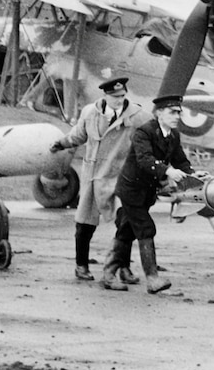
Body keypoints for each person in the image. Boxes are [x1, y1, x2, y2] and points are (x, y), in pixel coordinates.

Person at [50, 75, 151, 281]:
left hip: (121, 176)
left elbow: (153, 134)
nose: (119, 100)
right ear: (105, 95)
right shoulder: (90, 112)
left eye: (122, 95)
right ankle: (81, 265)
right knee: (85, 223)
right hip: (94, 176)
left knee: (126, 223)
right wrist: (61, 143)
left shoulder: (138, 115)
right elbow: (78, 135)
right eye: (115, 97)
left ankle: (123, 267)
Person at [99, 94, 196, 294]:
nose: (177, 116)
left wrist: (194, 174)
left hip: (145, 192)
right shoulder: (144, 132)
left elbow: (181, 160)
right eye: (172, 112)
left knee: (126, 231)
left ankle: (108, 274)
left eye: (179, 112)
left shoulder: (173, 135)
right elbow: (145, 159)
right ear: (159, 113)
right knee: (146, 229)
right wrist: (168, 171)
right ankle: (152, 279)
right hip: (131, 190)